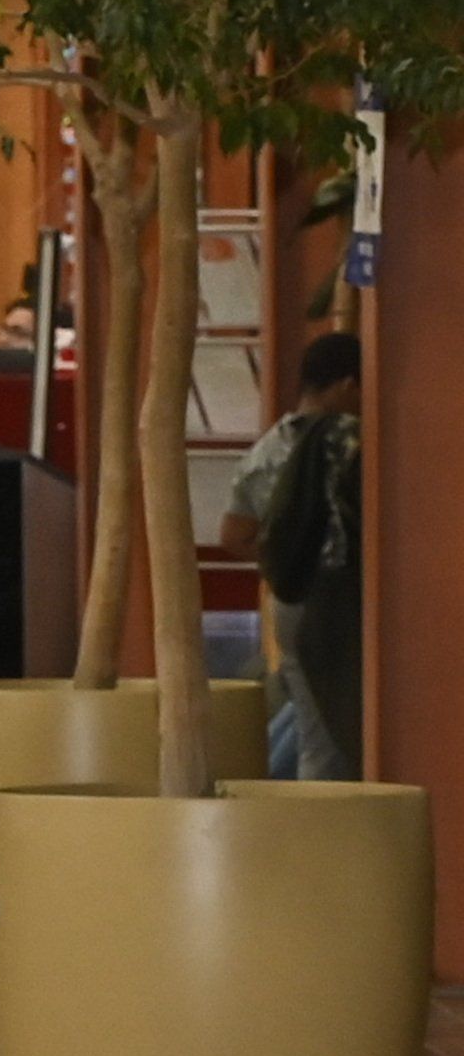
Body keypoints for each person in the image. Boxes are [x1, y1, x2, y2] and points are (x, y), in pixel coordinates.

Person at [218, 330, 361, 780]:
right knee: (339, 730)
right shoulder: (350, 440)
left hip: (289, 598)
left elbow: (233, 534)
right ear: (347, 385)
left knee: (310, 719)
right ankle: (322, 826)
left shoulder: (268, 447)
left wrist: (282, 560)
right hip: (338, 601)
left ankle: (282, 797)